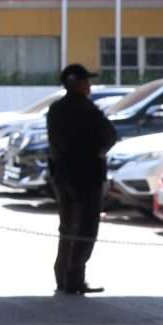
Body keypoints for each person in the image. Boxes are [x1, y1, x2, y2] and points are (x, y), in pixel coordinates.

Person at [47, 64, 118, 295]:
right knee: (86, 229)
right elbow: (109, 136)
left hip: (62, 176)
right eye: (87, 82)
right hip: (87, 177)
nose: (90, 86)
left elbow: (56, 143)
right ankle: (75, 280)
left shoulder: (56, 109)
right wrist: (96, 152)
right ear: (78, 85)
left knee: (67, 226)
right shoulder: (88, 110)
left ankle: (62, 277)